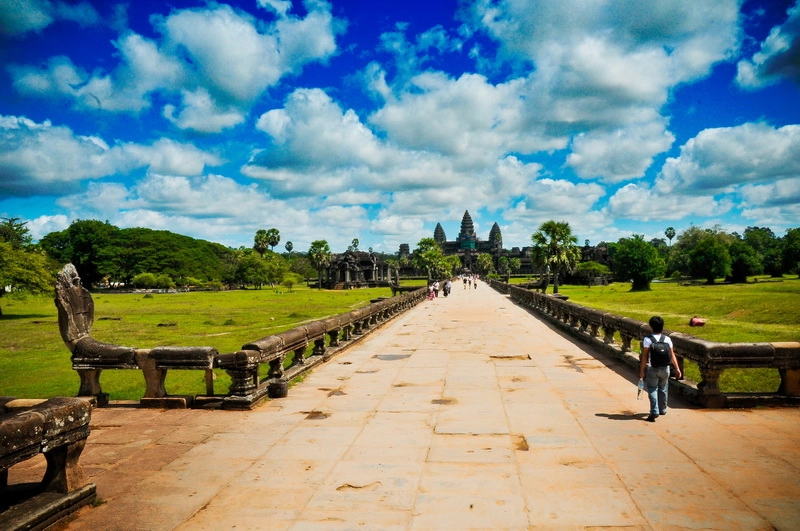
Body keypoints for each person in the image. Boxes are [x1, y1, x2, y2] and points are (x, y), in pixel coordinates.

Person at [639, 316, 682, 422]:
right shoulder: (667, 339)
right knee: (663, 388)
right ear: (662, 326)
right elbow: (672, 355)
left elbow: (644, 356)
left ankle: (654, 410)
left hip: (653, 368)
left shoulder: (648, 339)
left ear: (651, 327)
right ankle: (662, 409)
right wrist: (677, 368)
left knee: (652, 388)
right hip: (665, 368)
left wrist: (642, 369)